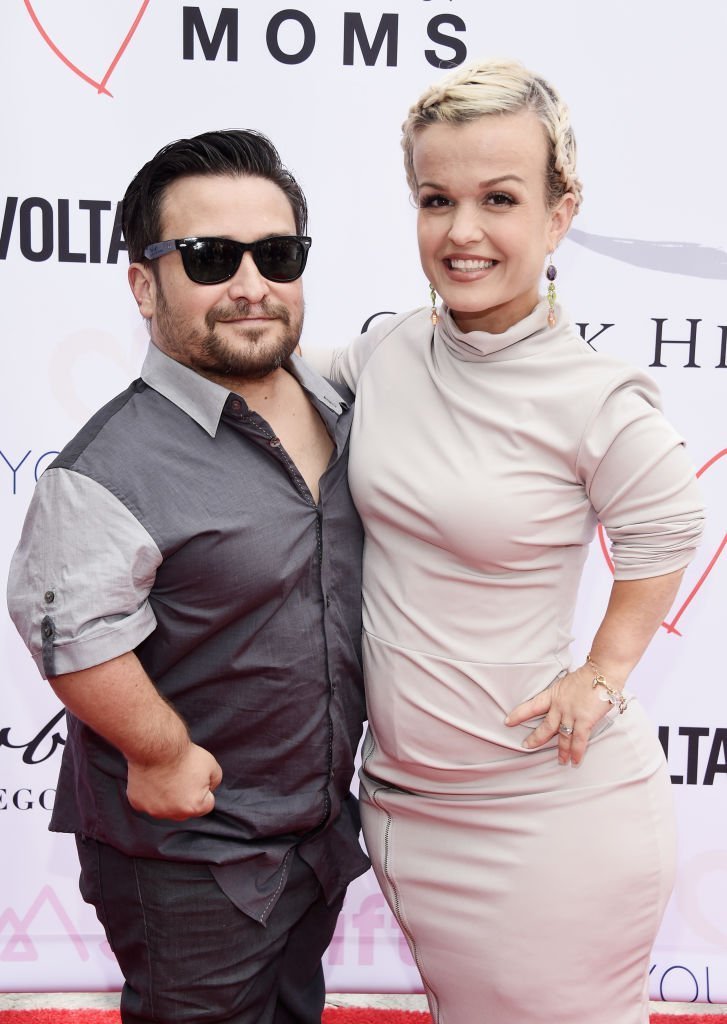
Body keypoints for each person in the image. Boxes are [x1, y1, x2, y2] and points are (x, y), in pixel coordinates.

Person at [305, 59, 705, 1024]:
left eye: (499, 199)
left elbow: (669, 527)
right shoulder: (390, 350)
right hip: (409, 805)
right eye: (435, 199)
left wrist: (602, 673)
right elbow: (276, 376)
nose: (462, 231)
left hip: (548, 813)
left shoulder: (593, 394)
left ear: (559, 213)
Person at [7, 129, 368, 1024]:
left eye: (276, 254)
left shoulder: (345, 406)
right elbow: (65, 628)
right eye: (209, 258)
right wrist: (159, 752)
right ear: (144, 283)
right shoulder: (109, 464)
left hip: (316, 833)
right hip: (189, 858)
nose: (251, 284)